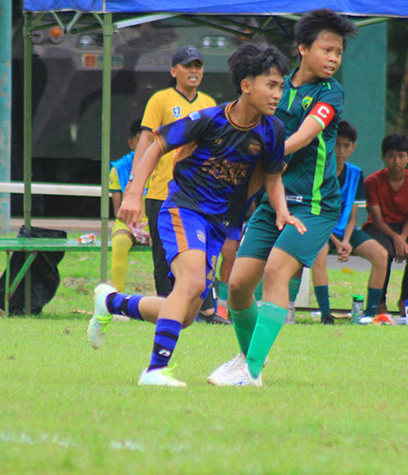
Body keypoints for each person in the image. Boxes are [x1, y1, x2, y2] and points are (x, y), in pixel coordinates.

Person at [86, 42, 301, 387]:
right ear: (246, 85)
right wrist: (132, 195)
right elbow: (156, 144)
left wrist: (281, 211)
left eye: (280, 86)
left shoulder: (272, 131)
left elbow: (272, 178)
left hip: (218, 224)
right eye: (271, 85)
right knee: (192, 284)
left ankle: (110, 302)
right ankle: (155, 371)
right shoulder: (209, 119)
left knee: (184, 313)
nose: (278, 94)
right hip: (183, 208)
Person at [207, 8, 358, 387]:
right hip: (273, 202)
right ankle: (249, 360)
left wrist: (270, 155)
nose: (334, 59)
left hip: (315, 205)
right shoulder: (276, 86)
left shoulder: (330, 93)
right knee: (239, 283)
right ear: (303, 49)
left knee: (276, 271)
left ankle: (251, 369)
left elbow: (306, 135)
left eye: (339, 53)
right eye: (327, 50)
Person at [134, 45, 224, 323]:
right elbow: (147, 141)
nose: (194, 71)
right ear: (174, 71)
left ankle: (207, 311)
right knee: (164, 257)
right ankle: (164, 308)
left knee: (202, 253)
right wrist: (134, 187)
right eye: (187, 66)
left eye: (198, 65)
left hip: (197, 195)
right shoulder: (160, 100)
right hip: (162, 192)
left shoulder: (209, 103)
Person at [309, 121, 387, 324]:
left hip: (345, 232)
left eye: (346, 146)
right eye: (337, 144)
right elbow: (317, 215)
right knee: (318, 255)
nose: (341, 150)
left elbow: (353, 215)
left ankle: (369, 315)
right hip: (322, 230)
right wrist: (337, 243)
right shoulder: (320, 171)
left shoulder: (355, 173)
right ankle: (326, 314)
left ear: (353, 147)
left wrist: (347, 239)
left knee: (381, 255)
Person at [362, 133, 408, 316]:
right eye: (391, 156)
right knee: (385, 253)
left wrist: (402, 239)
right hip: (379, 227)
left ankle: (405, 298)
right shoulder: (373, 182)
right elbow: (376, 219)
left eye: (401, 156)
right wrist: (396, 239)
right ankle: (380, 301)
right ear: (383, 158)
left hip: (407, 228)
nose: (396, 161)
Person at [108, 119, 150, 293]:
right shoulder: (118, 169)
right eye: (141, 141)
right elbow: (118, 212)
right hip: (128, 222)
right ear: (131, 143)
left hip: (157, 221)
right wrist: (136, 227)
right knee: (119, 242)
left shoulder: (164, 167)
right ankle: (117, 300)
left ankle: (170, 301)